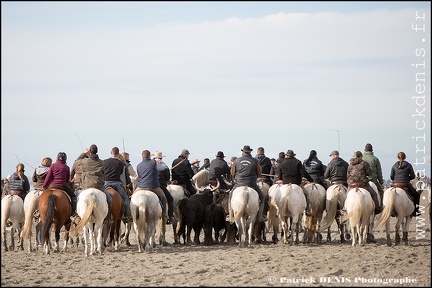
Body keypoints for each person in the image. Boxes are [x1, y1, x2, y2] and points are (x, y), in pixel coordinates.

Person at [228, 145, 267, 223]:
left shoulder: (237, 161)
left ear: (243, 152)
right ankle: (260, 216)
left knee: (230, 196)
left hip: (239, 184)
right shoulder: (255, 161)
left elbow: (232, 173)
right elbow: (259, 174)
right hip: (251, 184)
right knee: (262, 198)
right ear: (250, 152)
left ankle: (230, 215)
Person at [75, 144, 113, 223]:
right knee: (109, 199)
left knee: (77, 199)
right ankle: (107, 217)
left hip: (87, 186)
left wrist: (84, 153)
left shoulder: (84, 161)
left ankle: (77, 215)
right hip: (99, 187)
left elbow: (76, 161)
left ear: (90, 151)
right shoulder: (102, 162)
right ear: (97, 152)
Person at [43, 152, 81, 224]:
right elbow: (67, 179)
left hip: (52, 185)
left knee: (42, 196)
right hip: (62, 186)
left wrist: (45, 186)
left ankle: (39, 211)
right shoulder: (66, 167)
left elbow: (48, 177)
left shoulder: (53, 165)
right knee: (73, 197)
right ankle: (73, 213)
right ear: (65, 159)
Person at [136, 150, 170, 223]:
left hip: (140, 187)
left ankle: (131, 214)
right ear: (149, 156)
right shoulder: (154, 163)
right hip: (153, 186)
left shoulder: (138, 165)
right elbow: (162, 168)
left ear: (142, 156)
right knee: (164, 198)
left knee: (132, 197)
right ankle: (164, 215)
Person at [276, 150, 313, 216]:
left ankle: (278, 210)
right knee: (307, 194)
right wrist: (311, 179)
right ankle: (307, 210)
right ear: (293, 155)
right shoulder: (298, 162)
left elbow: (279, 176)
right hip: (296, 183)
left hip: (285, 183)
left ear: (286, 155)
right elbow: (303, 173)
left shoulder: (282, 163)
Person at [104, 147, 131, 223]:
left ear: (111, 152)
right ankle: (126, 216)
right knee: (125, 199)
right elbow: (120, 174)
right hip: (116, 183)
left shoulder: (104, 162)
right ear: (118, 154)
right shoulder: (121, 163)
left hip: (105, 183)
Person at [390, 152, 421, 216]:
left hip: (395, 184)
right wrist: (407, 178)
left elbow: (391, 176)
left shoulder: (394, 165)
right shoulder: (408, 165)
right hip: (405, 184)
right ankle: (416, 211)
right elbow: (413, 176)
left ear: (397, 158)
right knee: (417, 195)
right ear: (405, 157)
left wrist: (396, 180)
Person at [153, 151, 175, 224]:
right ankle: (170, 217)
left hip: (151, 186)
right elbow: (167, 178)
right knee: (170, 199)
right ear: (161, 158)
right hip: (161, 186)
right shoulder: (164, 166)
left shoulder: (151, 164)